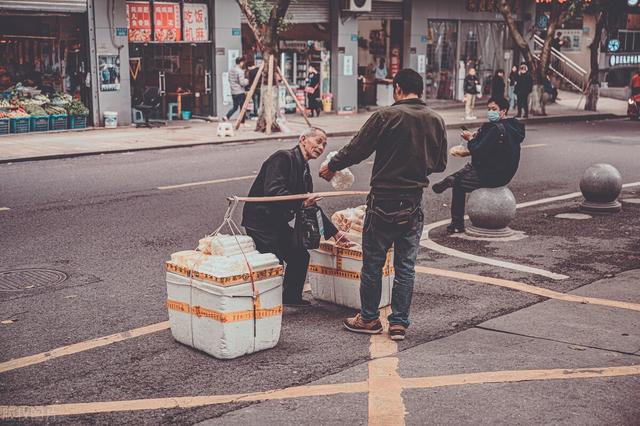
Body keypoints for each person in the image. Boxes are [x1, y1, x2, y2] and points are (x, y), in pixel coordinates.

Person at [319, 68, 448, 341]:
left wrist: (331, 166)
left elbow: (357, 149)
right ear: (420, 90)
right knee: (405, 267)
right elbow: (440, 164)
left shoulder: (385, 116)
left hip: (382, 203)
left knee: (373, 264)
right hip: (413, 202)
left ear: (397, 89)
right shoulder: (436, 119)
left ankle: (368, 318)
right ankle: (399, 323)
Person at [242, 128, 347, 307]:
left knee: (299, 255)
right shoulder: (282, 158)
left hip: (278, 222)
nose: (321, 147)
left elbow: (310, 206)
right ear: (303, 139)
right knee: (273, 261)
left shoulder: (304, 170)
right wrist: (301, 204)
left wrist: (336, 234)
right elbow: (274, 192)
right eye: (318, 141)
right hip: (260, 221)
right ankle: (268, 305)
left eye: (324, 145)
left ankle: (291, 298)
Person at [431, 97, 525, 233]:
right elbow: (492, 148)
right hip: (506, 173)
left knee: (458, 184)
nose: (490, 112)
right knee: (469, 169)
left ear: (503, 111)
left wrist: (470, 139)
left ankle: (457, 223)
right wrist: (478, 137)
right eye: (489, 109)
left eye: (494, 109)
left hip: (492, 175)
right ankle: (452, 178)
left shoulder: (496, 130)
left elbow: (478, 151)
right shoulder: (512, 127)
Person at [224, 56, 249, 123]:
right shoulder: (240, 71)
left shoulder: (231, 70)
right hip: (240, 92)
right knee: (243, 107)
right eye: (243, 62)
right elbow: (242, 83)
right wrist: (247, 80)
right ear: (241, 62)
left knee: (235, 107)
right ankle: (242, 122)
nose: (243, 64)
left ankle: (226, 116)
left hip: (233, 92)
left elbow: (229, 80)